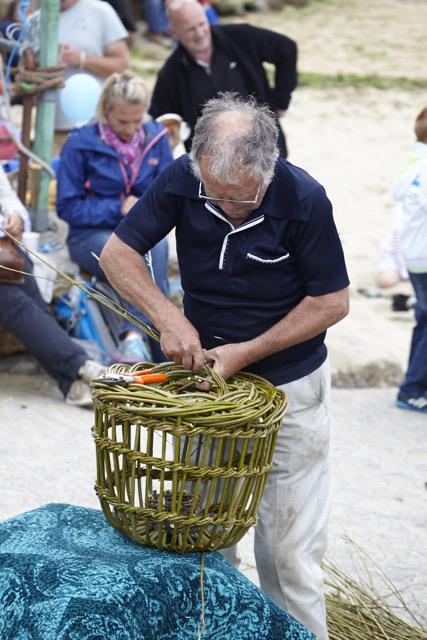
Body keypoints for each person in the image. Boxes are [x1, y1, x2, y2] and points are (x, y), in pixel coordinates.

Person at [99, 92, 350, 639]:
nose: (225, 206)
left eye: (238, 198)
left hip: (289, 388)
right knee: (206, 537)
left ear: (267, 167)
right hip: (209, 387)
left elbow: (333, 302)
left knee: (287, 553)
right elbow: (117, 254)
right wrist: (170, 319)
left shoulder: (303, 197)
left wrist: (250, 350)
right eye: (214, 193)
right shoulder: (184, 180)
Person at [56, 70, 174, 364]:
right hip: (89, 236)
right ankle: (163, 354)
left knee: (155, 246)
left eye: (137, 120)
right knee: (139, 253)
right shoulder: (80, 142)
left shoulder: (157, 137)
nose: (131, 128)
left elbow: (171, 198)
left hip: (144, 235)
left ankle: (134, 337)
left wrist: (143, 210)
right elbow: (67, 207)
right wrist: (118, 207)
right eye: (122, 121)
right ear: (105, 112)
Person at [0, 165, 104, 407]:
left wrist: (15, 216)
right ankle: (80, 366)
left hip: (3, 253)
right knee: (12, 301)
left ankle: (71, 383)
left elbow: (7, 198)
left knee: (31, 296)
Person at [148, 0, 297, 158]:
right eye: (190, 29)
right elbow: (158, 120)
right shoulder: (170, 73)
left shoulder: (240, 37)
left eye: (201, 24)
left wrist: (281, 101)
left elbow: (286, 48)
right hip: (213, 164)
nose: (199, 33)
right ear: (173, 33)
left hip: (264, 149)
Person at [27, 0, 130, 154]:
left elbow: (123, 65)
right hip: (50, 132)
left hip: (99, 129)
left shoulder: (101, 11)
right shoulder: (34, 20)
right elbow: (25, 76)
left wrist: (81, 59)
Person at [393, 106, 427, 414]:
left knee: (423, 320)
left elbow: (397, 191)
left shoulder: (416, 164)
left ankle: (414, 386)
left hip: (415, 255)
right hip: (425, 256)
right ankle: (413, 389)